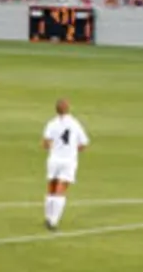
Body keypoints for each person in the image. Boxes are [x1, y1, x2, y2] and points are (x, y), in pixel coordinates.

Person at [42, 98, 90, 231]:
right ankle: (53, 221)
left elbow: (45, 144)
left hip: (54, 160)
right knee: (61, 189)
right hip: (68, 161)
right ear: (68, 108)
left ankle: (47, 217)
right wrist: (73, 150)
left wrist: (55, 147)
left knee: (51, 188)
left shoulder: (52, 123)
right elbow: (84, 143)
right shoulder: (75, 124)